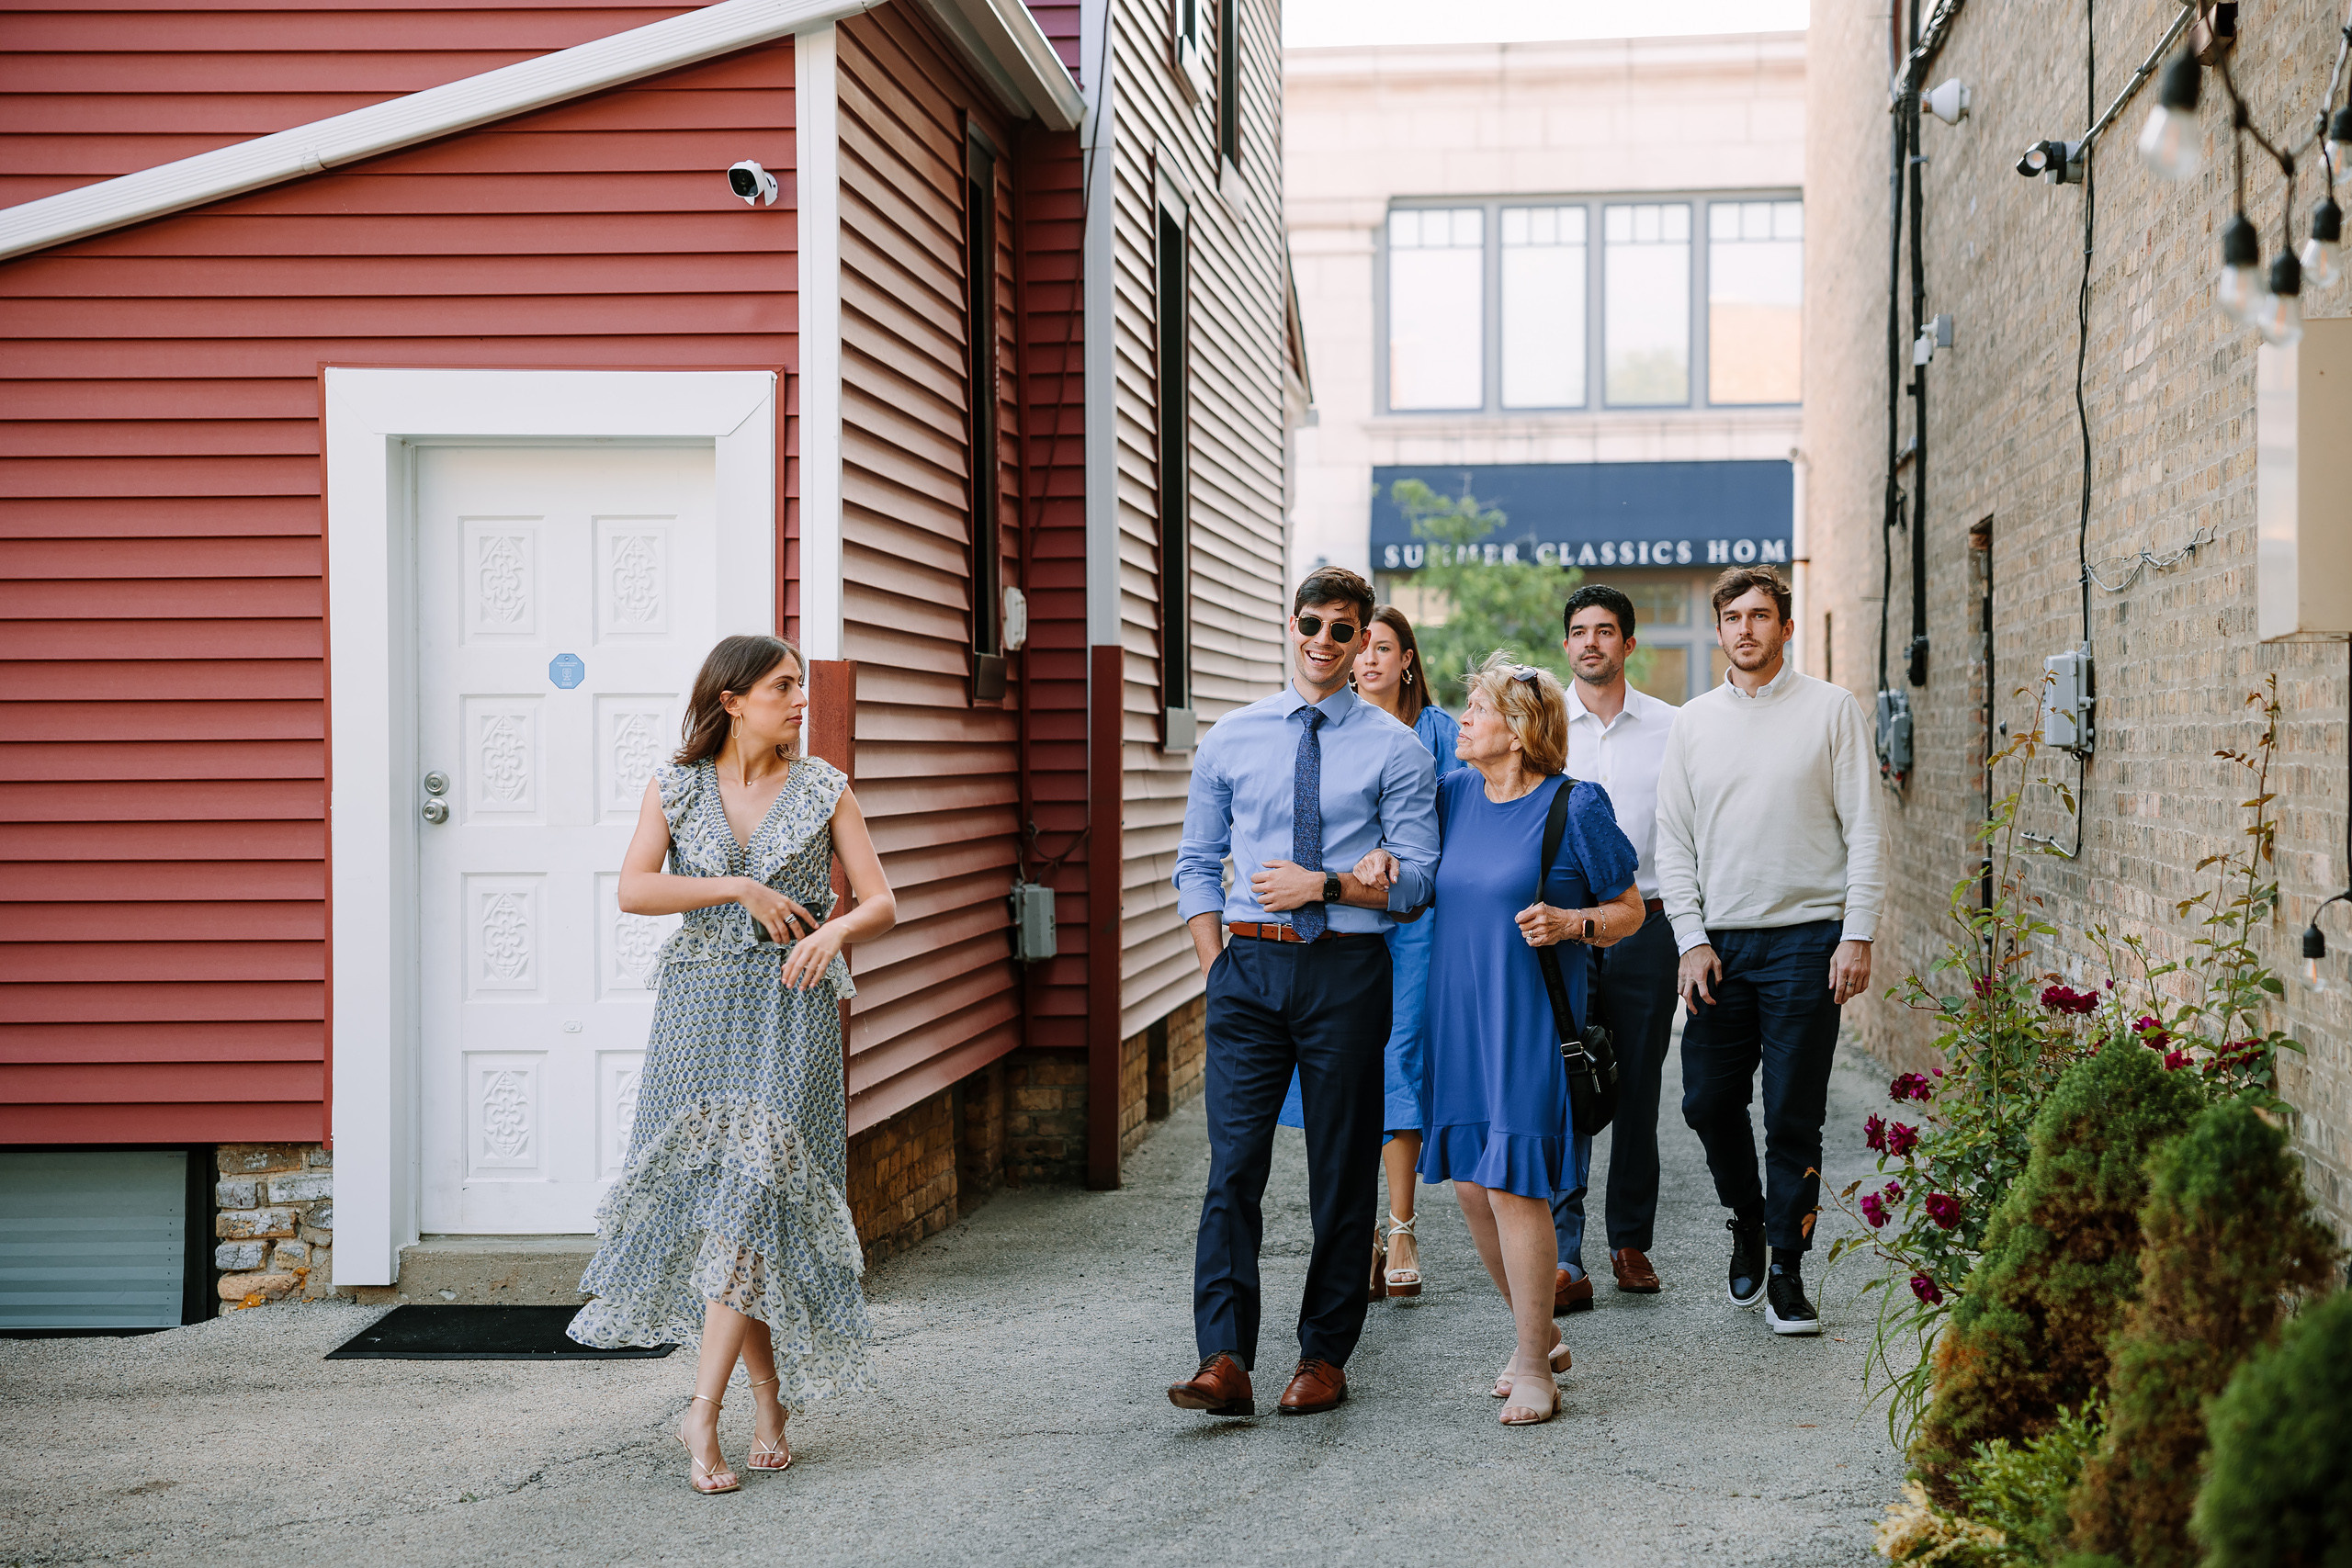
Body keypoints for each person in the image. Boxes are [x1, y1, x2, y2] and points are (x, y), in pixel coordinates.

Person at [569, 635, 898, 1494]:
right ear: (732, 699)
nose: (799, 700)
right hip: (699, 1009)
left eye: (799, 686)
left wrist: (832, 930)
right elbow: (635, 888)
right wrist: (739, 888)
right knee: (725, 1205)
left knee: (752, 1194)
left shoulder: (825, 787)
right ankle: (768, 1395)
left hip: (791, 1009)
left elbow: (883, 900)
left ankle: (700, 1410)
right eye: (783, 687)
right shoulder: (676, 786)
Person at [1165, 567, 1441, 1420]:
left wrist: (1322, 884)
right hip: (1247, 971)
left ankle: (1323, 1354)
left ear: (1365, 642)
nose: (1325, 640)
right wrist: (1217, 965)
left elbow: (1418, 882)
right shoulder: (1233, 738)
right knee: (1233, 1168)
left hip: (1348, 975)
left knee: (1341, 1170)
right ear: (1292, 626)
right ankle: (1224, 1357)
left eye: (1343, 629)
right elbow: (1195, 863)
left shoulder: (1399, 750)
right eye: (1312, 623)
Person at [1653, 566, 1883, 1337]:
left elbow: (1867, 829)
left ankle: (1786, 1265)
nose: (1745, 628)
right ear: (1718, 629)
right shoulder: (1693, 722)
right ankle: (1747, 1217)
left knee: (1791, 1113)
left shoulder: (1832, 711)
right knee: (1706, 1101)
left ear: (1787, 628)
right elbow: (1674, 845)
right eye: (1732, 616)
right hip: (1719, 946)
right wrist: (1689, 939)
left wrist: (1858, 932)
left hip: (1809, 942)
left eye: (1760, 615)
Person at [1414, 655, 1644, 1426]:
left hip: (1530, 1023)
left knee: (1515, 1184)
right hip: (1459, 1018)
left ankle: (1532, 1361)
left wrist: (1574, 923)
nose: (1463, 720)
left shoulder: (1575, 807)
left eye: (1475, 708)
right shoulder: (1449, 798)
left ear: (1516, 733)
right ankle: (1538, 1335)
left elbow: (1630, 909)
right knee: (1473, 1187)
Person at [1274, 604, 1461, 1301]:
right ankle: (1358, 1231)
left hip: (1411, 924)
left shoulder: (1438, 736)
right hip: (1334, 927)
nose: (1373, 657)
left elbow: (1447, 833)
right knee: (1338, 1071)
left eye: (1387, 647)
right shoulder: (1320, 730)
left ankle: (1402, 1221)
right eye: (1366, 645)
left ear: (1408, 658)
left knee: (1398, 1055)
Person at [1547, 585, 1683, 1314]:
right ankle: (1562, 1252)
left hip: (1647, 924)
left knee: (1636, 1086)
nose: (1591, 642)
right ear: (1565, 646)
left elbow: (1693, 834)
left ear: (1630, 644)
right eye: (1578, 631)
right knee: (1565, 1082)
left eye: (1605, 631)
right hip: (1563, 933)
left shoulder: (1673, 727)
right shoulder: (1543, 728)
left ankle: (1629, 1240)